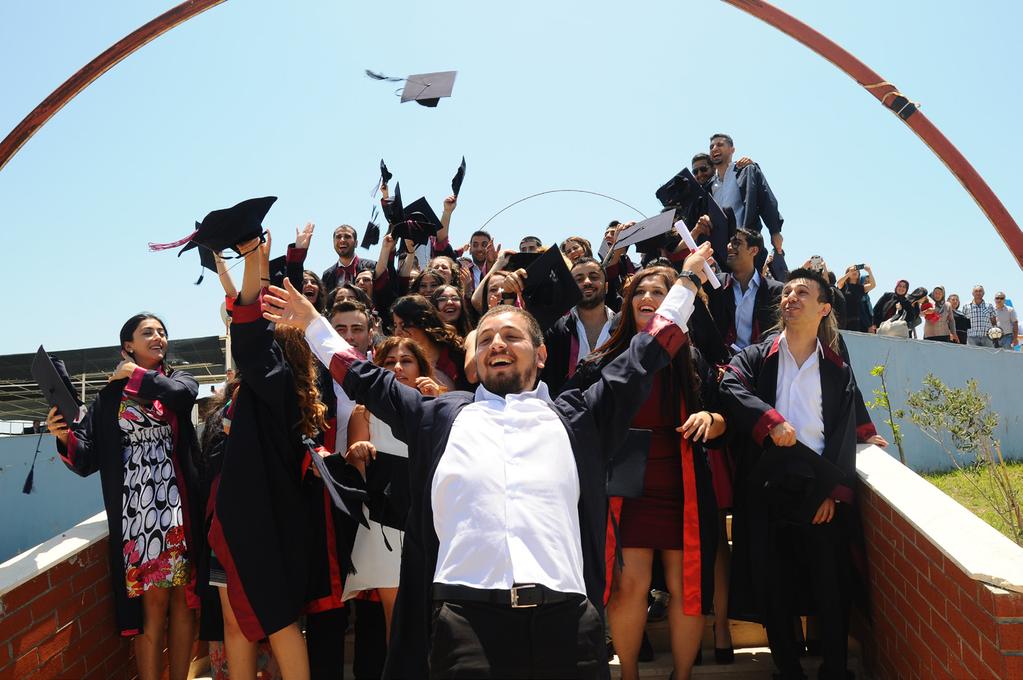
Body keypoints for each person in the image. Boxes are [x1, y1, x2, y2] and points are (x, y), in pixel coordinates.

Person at [262, 244, 714, 680]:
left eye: (512, 336)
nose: (497, 343)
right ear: (475, 362)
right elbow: (366, 380)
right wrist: (313, 324)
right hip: (464, 623)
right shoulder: (437, 416)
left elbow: (645, 355)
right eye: (487, 340)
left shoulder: (579, 418)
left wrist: (689, 280)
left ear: (541, 354)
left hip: (567, 621)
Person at [568, 266, 726, 680]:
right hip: (626, 485)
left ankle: (683, 675)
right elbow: (580, 418)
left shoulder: (691, 359)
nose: (649, 297)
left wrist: (712, 417)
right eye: (641, 291)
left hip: (682, 483)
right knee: (629, 587)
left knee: (686, 590)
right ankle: (630, 674)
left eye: (660, 291)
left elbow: (723, 415)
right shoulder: (602, 360)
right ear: (627, 302)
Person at [208, 235, 346, 680]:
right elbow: (246, 317)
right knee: (247, 620)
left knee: (278, 619)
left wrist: (251, 258)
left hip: (258, 525)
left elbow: (248, 326)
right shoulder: (270, 393)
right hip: (251, 521)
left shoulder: (273, 384)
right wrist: (254, 263)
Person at [722, 268, 861, 680]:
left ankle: (834, 670)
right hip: (766, 485)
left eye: (803, 292)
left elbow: (842, 433)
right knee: (771, 584)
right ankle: (788, 670)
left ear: (823, 308)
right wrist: (769, 420)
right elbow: (729, 388)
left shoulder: (836, 368)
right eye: (788, 292)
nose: (791, 298)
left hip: (817, 488)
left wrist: (831, 493)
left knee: (829, 586)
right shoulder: (755, 356)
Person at [47, 314, 200, 680]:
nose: (158, 337)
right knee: (152, 604)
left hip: (179, 505)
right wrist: (66, 437)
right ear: (127, 345)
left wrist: (132, 374)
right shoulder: (108, 398)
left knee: (184, 602)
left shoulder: (177, 380)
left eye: (162, 332)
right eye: (147, 332)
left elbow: (180, 396)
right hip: (138, 512)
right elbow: (88, 459)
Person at [342, 338, 444, 636]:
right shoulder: (364, 411)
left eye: (407, 360)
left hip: (431, 517)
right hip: (384, 519)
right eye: (389, 362)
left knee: (435, 610)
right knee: (396, 613)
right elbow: (354, 465)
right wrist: (358, 450)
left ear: (421, 367)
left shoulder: (442, 402)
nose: (398, 367)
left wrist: (435, 403)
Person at [540, 256, 616, 395]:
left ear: (606, 287)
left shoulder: (623, 327)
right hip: (565, 413)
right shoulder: (555, 330)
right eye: (579, 279)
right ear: (571, 288)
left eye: (594, 277)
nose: (587, 282)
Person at [706, 227, 783, 353]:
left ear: (753, 250)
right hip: (722, 364)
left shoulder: (775, 291)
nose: (729, 246)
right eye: (730, 242)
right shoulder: (716, 285)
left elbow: (778, 331)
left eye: (737, 243)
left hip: (758, 364)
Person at [708, 133, 784, 255]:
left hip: (744, 244)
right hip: (719, 249)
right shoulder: (709, 185)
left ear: (732, 150)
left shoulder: (746, 171)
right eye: (711, 147)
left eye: (720, 144)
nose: (714, 148)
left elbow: (766, 199)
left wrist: (775, 231)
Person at [390, 294, 467, 389]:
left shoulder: (456, 353)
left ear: (423, 323)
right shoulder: (399, 362)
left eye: (404, 325)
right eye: (395, 325)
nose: (397, 332)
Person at [322, 224, 377, 292]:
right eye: (338, 237)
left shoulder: (372, 266)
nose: (342, 240)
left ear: (356, 243)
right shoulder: (327, 275)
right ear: (333, 243)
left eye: (347, 237)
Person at [835, 265, 876, 332]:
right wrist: (849, 273)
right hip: (843, 318)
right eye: (853, 270)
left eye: (857, 271)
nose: (855, 272)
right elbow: (839, 283)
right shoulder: (844, 286)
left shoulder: (860, 288)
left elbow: (873, 285)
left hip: (855, 320)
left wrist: (869, 271)